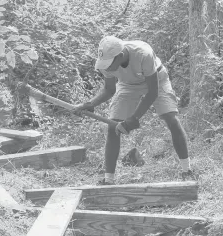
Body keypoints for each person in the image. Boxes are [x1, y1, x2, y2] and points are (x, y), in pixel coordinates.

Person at [73, 36, 195, 185]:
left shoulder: (143, 54)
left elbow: (152, 93)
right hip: (128, 85)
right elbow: (109, 89)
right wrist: (90, 103)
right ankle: (108, 180)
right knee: (113, 127)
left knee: (171, 118)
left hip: (157, 80)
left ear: (120, 55)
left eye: (110, 64)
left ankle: (187, 170)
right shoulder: (106, 63)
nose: (107, 68)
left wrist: (134, 118)